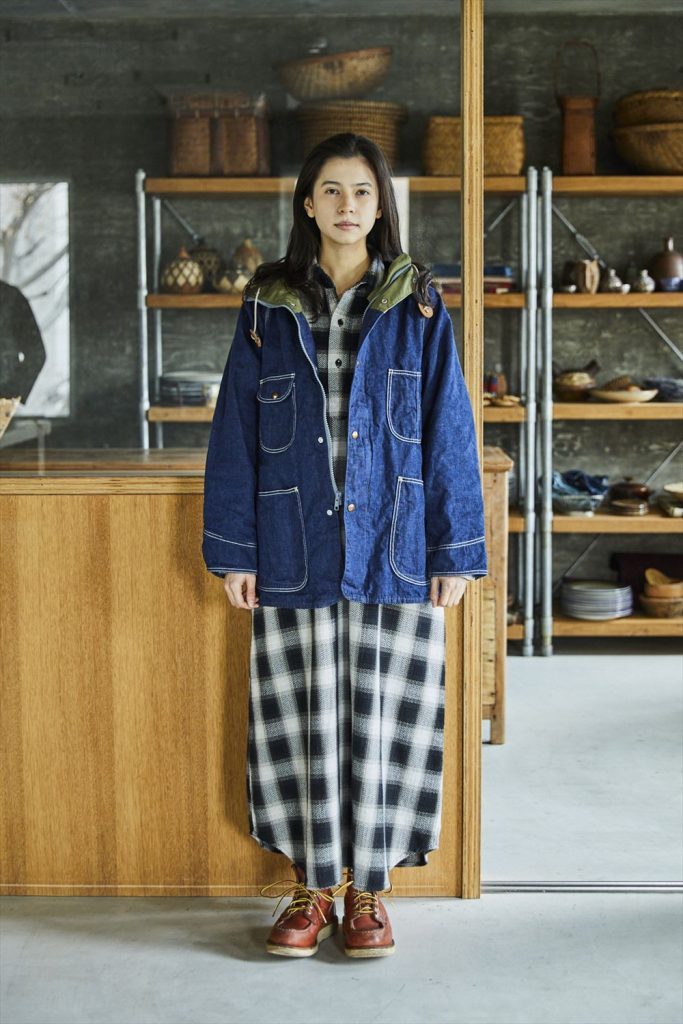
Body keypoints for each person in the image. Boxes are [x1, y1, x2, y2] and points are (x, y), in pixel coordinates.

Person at [202, 132, 488, 959]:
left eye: (361, 191)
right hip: (292, 548)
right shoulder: (268, 304)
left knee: (386, 722)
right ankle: (311, 886)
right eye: (331, 190)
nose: (346, 205)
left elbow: (448, 429)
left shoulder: (418, 302)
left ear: (379, 205)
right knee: (302, 724)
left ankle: (368, 891)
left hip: (393, 545)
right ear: (307, 204)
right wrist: (234, 550)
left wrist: (454, 552)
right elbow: (234, 433)